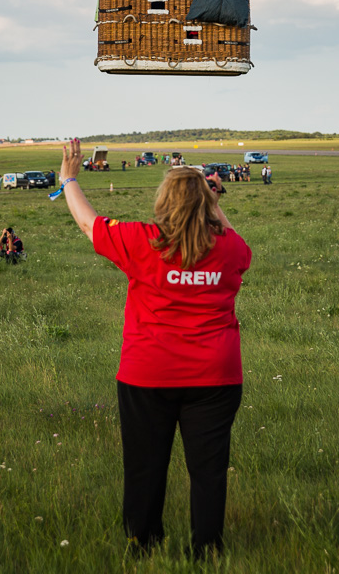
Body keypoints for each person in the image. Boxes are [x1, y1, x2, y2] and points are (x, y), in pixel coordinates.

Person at [57, 137, 251, 557]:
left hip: (148, 375)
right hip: (215, 378)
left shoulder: (142, 240)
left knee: (144, 468)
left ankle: (142, 545)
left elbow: (90, 223)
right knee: (209, 470)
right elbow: (235, 238)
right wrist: (209, 198)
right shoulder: (230, 249)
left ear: (162, 202)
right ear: (207, 203)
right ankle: (207, 551)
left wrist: (70, 179)